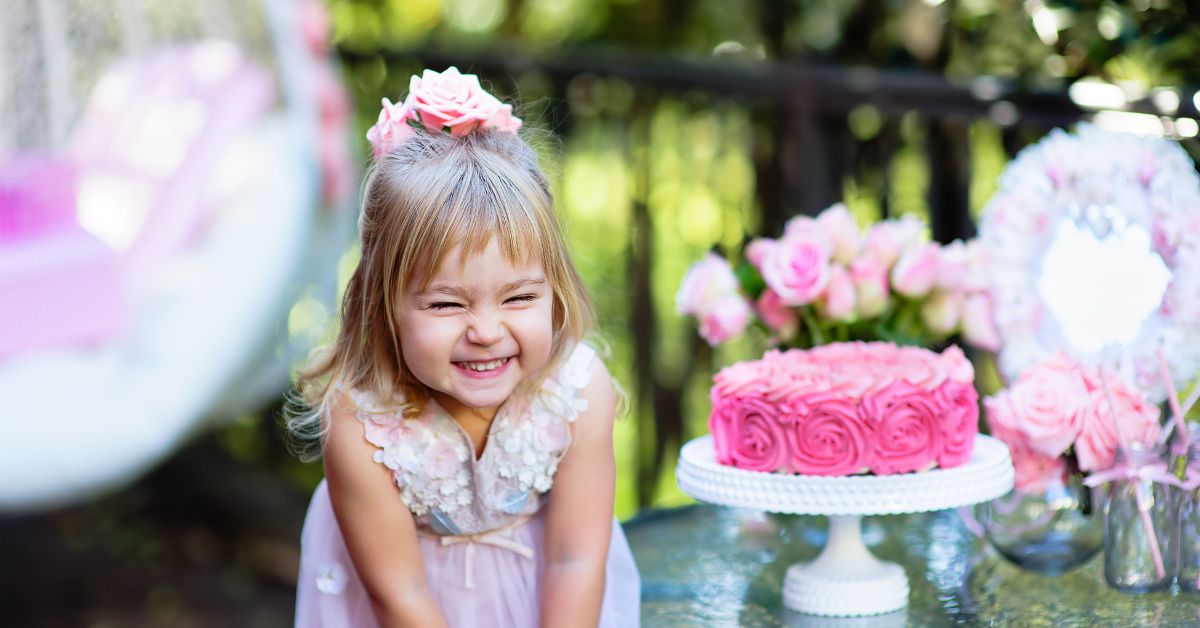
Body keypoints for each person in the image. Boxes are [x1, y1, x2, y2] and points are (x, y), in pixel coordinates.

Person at [289, 67, 641, 627]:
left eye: (519, 297)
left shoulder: (577, 391)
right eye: (447, 304)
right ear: (383, 303)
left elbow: (575, 561)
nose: (485, 330)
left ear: (555, 289)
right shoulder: (360, 425)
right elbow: (398, 594)